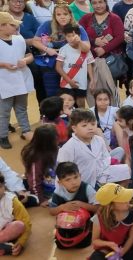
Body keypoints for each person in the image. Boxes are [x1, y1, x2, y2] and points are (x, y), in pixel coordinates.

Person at [57, 109, 130, 187]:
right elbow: (62, 171)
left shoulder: (99, 140)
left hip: (101, 174)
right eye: (84, 125)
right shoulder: (69, 147)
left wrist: (103, 175)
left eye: (93, 124)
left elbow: (106, 158)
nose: (90, 128)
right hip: (82, 180)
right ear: (74, 128)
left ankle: (118, 194)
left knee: (126, 170)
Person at [32, 5, 91, 98]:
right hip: (51, 63)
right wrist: (47, 49)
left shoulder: (77, 27)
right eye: (58, 14)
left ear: (70, 15)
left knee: (71, 96)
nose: (62, 17)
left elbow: (87, 48)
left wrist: (79, 41)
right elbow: (35, 41)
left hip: (71, 65)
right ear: (55, 16)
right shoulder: (47, 24)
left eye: (65, 14)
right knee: (52, 95)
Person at [89, 183, 133, 260]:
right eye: (124, 200)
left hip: (127, 247)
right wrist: (110, 244)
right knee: (95, 258)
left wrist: (121, 253)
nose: (128, 201)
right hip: (107, 249)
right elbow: (95, 241)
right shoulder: (98, 218)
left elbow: (131, 237)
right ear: (111, 206)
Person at [0, 11, 33, 149]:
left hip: (21, 79)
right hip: (4, 81)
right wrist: (4, 64)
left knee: (21, 107)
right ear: (1, 26)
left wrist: (25, 60)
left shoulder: (19, 38)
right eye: (12, 25)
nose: (16, 27)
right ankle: (2, 136)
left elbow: (30, 55)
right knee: (4, 111)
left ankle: (26, 130)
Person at [48, 162, 99, 248]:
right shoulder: (58, 192)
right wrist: (62, 207)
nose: (73, 182)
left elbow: (99, 209)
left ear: (80, 175)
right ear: (60, 182)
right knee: (61, 245)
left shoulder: (87, 188)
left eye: (76, 177)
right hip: (67, 225)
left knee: (84, 243)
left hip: (86, 225)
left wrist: (82, 204)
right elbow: (52, 211)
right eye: (68, 180)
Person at [55, 24, 95, 108]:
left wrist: (92, 80)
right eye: (68, 36)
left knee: (81, 104)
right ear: (65, 37)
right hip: (66, 83)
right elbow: (58, 67)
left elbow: (89, 64)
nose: (71, 38)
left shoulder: (85, 49)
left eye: (73, 35)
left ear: (79, 36)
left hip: (81, 83)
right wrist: (69, 81)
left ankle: (81, 120)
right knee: (66, 104)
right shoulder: (64, 49)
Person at [21, 124, 58, 206]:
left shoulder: (53, 149)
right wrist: (41, 199)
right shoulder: (35, 157)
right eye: (55, 137)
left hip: (52, 182)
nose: (57, 138)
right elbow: (34, 181)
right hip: (45, 190)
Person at [0, 174, 31, 256]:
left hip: (6, 232)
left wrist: (21, 242)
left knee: (19, 225)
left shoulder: (11, 201)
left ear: (3, 185)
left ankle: (6, 246)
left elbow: (26, 221)